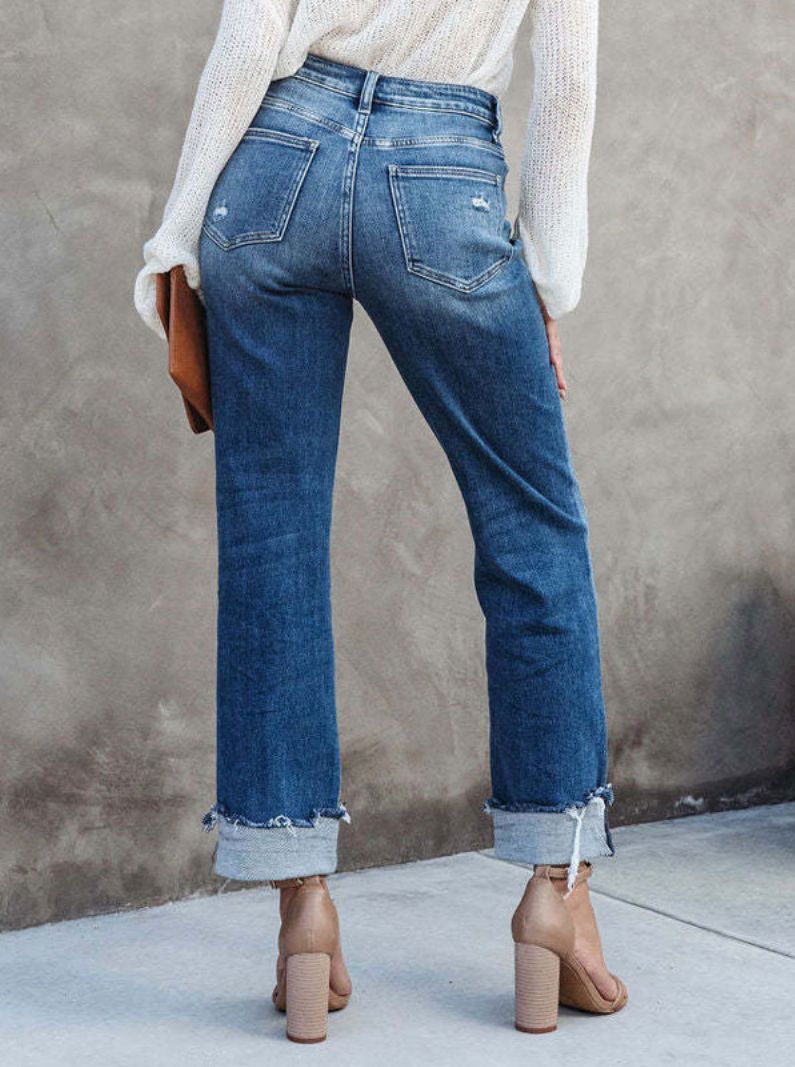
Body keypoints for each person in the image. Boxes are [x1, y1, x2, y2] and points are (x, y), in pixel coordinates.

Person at [134, 0, 627, 1043]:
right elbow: (567, 83)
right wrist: (547, 281)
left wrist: (177, 233)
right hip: (441, 176)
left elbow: (251, 35)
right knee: (532, 529)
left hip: (273, 164)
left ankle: (303, 915)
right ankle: (557, 889)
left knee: (271, 537)